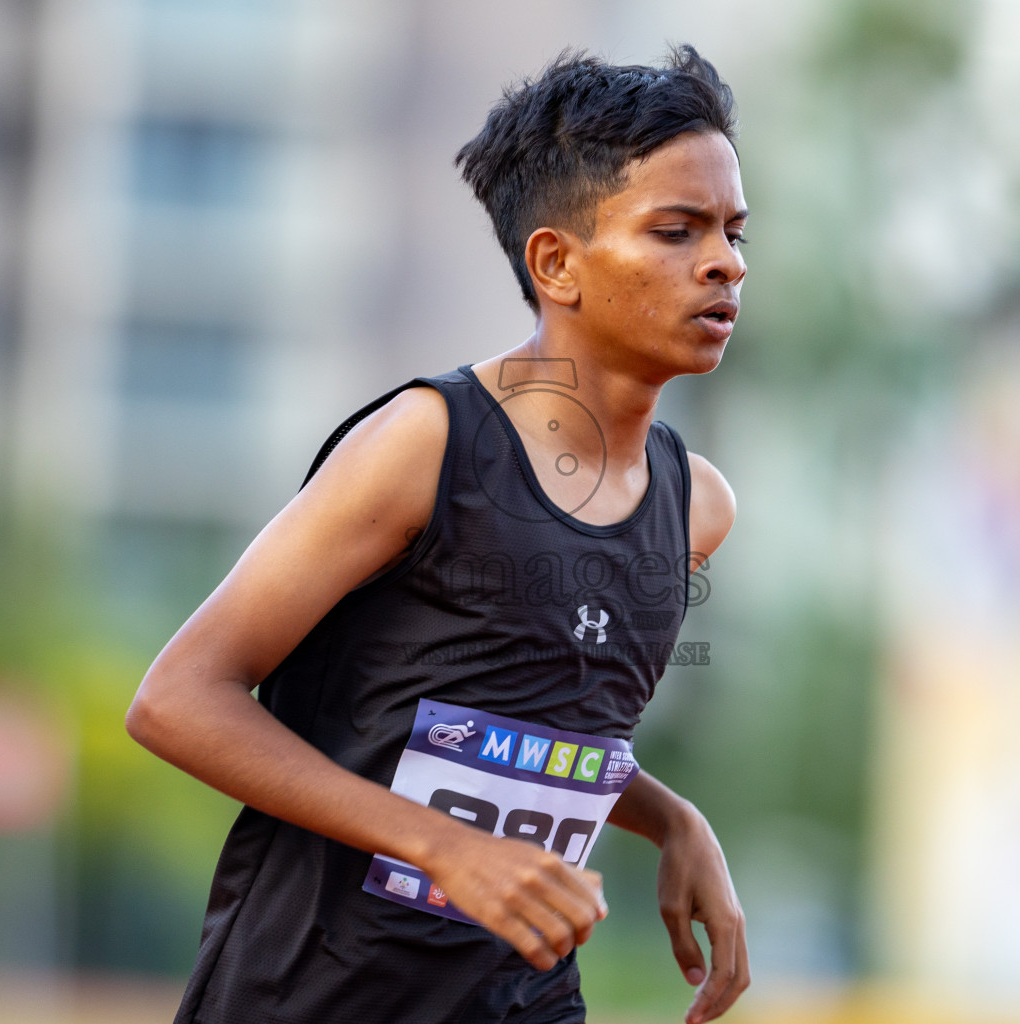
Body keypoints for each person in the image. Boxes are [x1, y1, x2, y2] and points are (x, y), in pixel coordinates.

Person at [127, 44, 750, 1024]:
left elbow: (524, 732)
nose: (726, 262)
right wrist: (439, 845)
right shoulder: (426, 445)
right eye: (678, 230)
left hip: (521, 999)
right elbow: (176, 699)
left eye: (731, 229)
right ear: (557, 264)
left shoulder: (694, 506)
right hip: (309, 996)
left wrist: (670, 816)